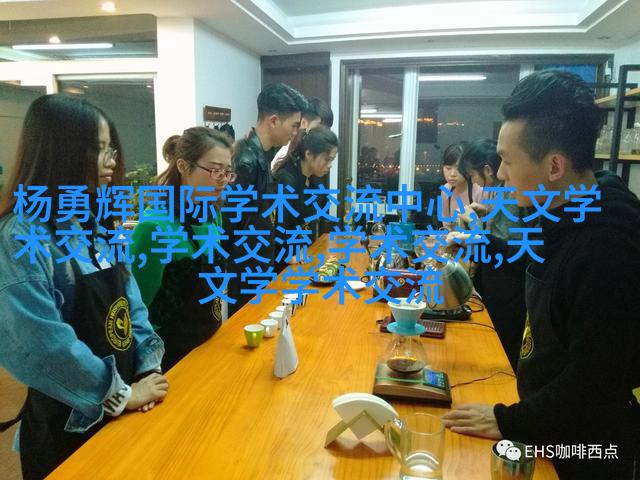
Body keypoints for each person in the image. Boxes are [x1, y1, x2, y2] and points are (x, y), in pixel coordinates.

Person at [442, 71, 640, 479]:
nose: (499, 174)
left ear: (554, 166)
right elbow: (527, 261)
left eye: (508, 161)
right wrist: (479, 246)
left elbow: (594, 379)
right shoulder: (562, 213)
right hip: (544, 424)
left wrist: (510, 421)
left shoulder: (608, 247)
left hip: (585, 449)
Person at [0, 94, 168, 480]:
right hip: (70, 420)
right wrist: (120, 394)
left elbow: (130, 300)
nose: (111, 161)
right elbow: (42, 344)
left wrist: (147, 366)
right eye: (98, 149)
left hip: (125, 403)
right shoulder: (20, 237)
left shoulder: (95, 222)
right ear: (60, 151)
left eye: (112, 149)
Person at [131, 128, 234, 371]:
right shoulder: (154, 227)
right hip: (170, 358)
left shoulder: (213, 215)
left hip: (210, 343)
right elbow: (135, 310)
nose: (223, 179)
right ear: (183, 166)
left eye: (228, 171)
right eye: (215, 170)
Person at [227, 82, 308, 316]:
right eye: (294, 125)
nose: (295, 133)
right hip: (245, 271)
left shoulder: (262, 154)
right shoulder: (245, 160)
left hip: (258, 264)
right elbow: (231, 224)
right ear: (274, 120)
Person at [457, 138, 527, 370]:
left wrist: (473, 223)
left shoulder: (511, 192)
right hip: (501, 283)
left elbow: (505, 245)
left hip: (507, 288)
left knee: (501, 356)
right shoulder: (503, 191)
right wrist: (486, 213)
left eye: (472, 176)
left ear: (487, 169)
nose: (474, 182)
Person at [272, 126, 338, 270]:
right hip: (284, 263)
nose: (330, 165)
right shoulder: (286, 180)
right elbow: (279, 226)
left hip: (303, 255)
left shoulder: (313, 180)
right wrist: (288, 256)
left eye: (331, 160)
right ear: (308, 154)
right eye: (327, 159)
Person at [271, 97, 334, 173]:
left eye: (327, 129)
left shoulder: (318, 155)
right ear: (304, 123)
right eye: (320, 128)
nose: (324, 134)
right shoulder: (286, 155)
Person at [439, 142, 484, 230]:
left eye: (458, 169)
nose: (452, 174)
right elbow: (447, 225)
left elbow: (486, 230)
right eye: (448, 168)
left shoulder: (479, 189)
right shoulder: (446, 189)